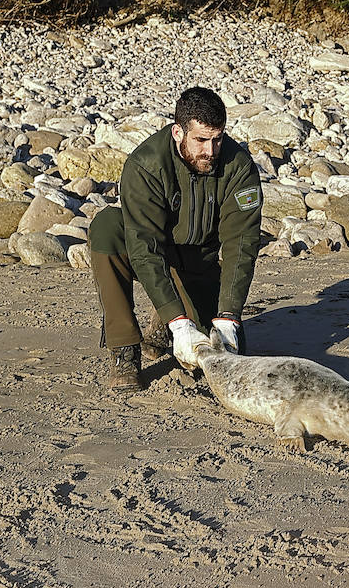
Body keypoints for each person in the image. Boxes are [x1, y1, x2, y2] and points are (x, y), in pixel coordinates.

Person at [88, 87, 262, 392]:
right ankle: (124, 348)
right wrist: (179, 321)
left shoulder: (239, 167)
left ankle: (165, 325)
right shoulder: (145, 165)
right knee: (106, 227)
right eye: (201, 140)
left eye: (218, 139)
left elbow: (242, 244)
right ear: (178, 131)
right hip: (153, 252)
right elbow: (144, 249)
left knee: (219, 357)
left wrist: (229, 316)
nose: (211, 151)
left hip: (199, 263)